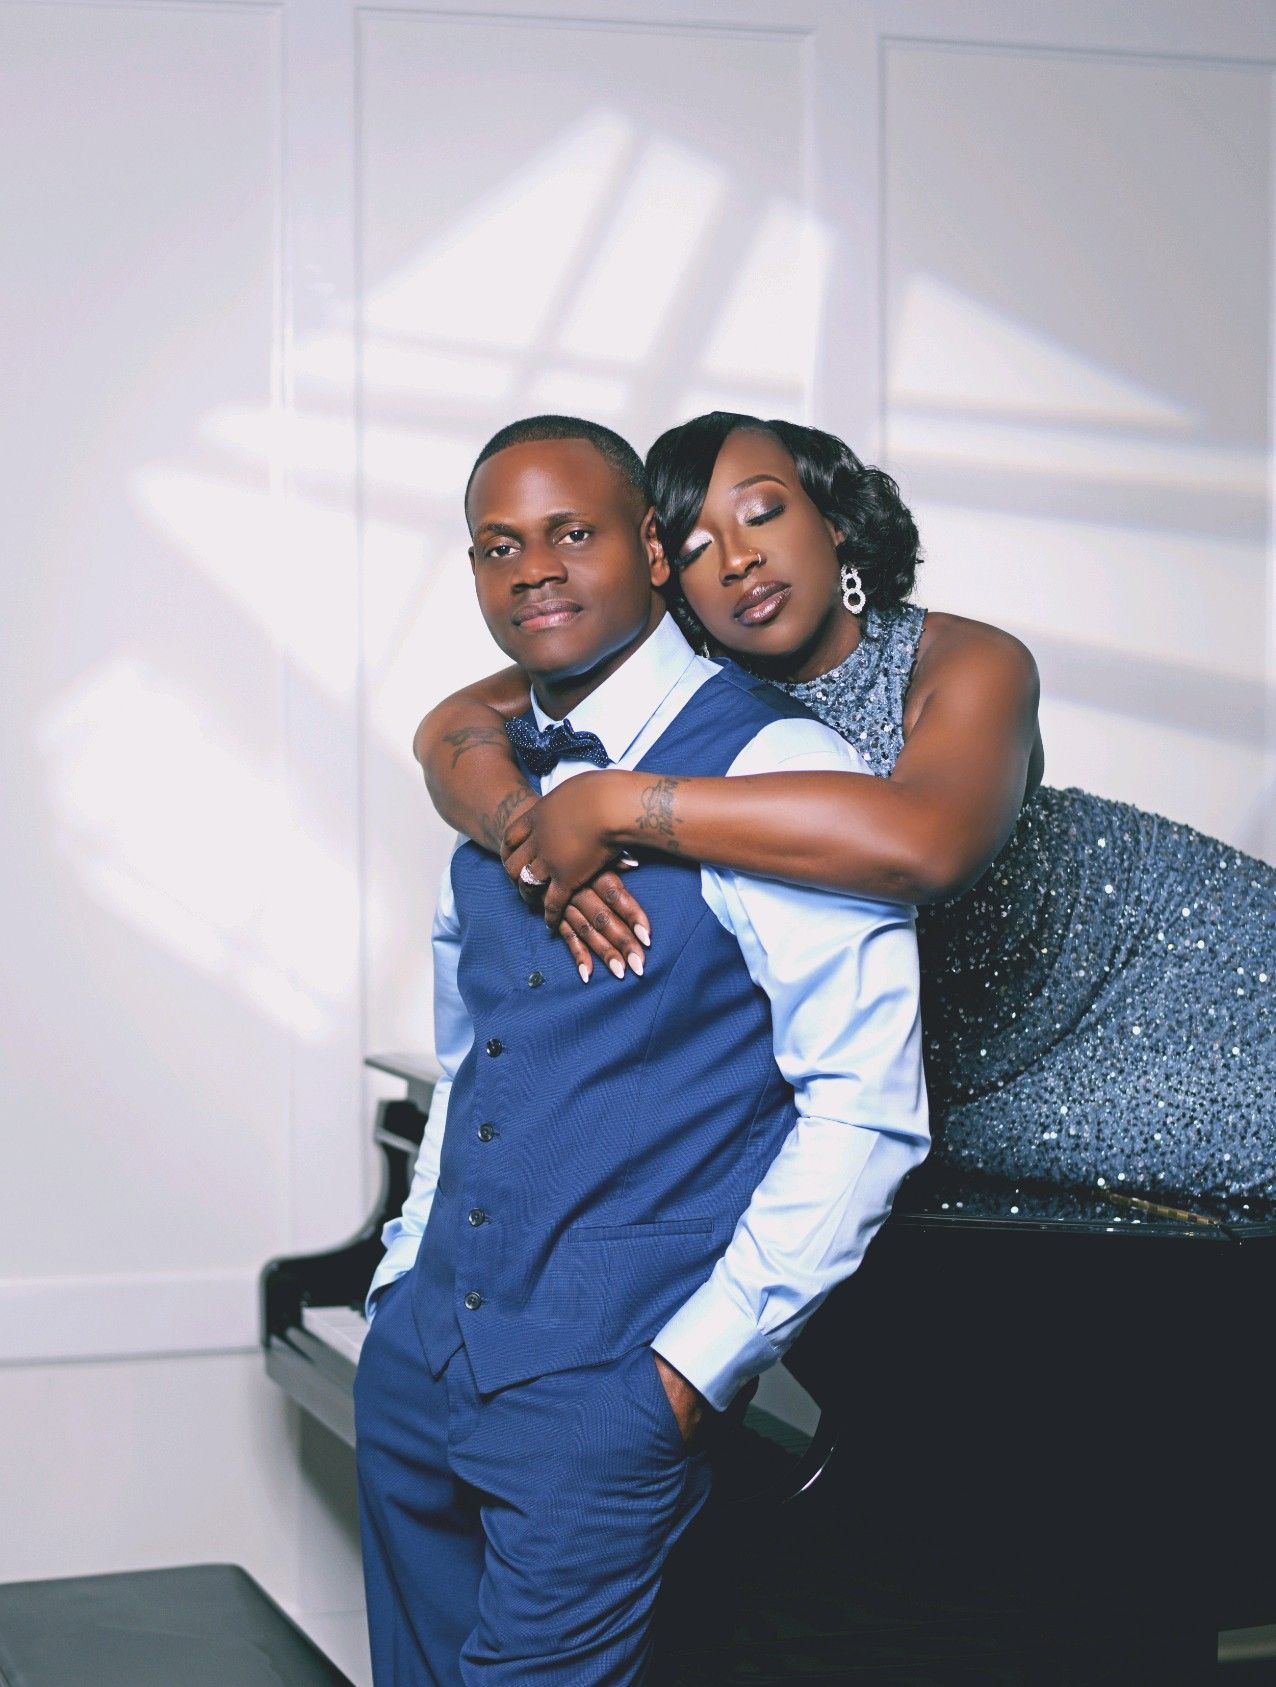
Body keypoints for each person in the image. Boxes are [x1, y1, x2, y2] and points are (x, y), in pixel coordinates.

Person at [352, 417, 929, 1684]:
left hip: (601, 1398)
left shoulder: (775, 768)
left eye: (573, 532)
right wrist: (402, 1276)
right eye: (500, 545)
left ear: (655, 556)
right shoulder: (495, 779)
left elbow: (867, 1108)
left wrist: (688, 1371)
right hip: (416, 1372)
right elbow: (474, 1067)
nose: (534, 568)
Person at [418, 411, 1274, 1215]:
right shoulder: (692, 682)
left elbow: (925, 845)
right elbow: (451, 727)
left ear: (832, 522)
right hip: (972, 1080)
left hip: (1178, 969)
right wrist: (520, 830)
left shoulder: (965, 659)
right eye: (696, 546)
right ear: (663, 575)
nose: (740, 560)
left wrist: (615, 803)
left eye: (763, 513)